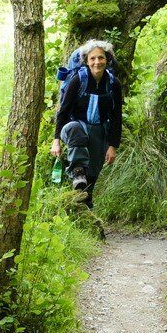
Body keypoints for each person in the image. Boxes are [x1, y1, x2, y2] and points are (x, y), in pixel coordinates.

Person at [51, 39, 123, 207]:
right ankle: (77, 171)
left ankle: (85, 205)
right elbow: (63, 111)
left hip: (99, 130)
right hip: (74, 128)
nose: (97, 62)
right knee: (74, 128)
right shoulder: (78, 80)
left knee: (92, 174)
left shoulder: (113, 84)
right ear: (86, 61)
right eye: (92, 58)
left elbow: (116, 117)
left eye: (101, 57)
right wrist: (56, 140)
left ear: (107, 59)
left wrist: (113, 146)